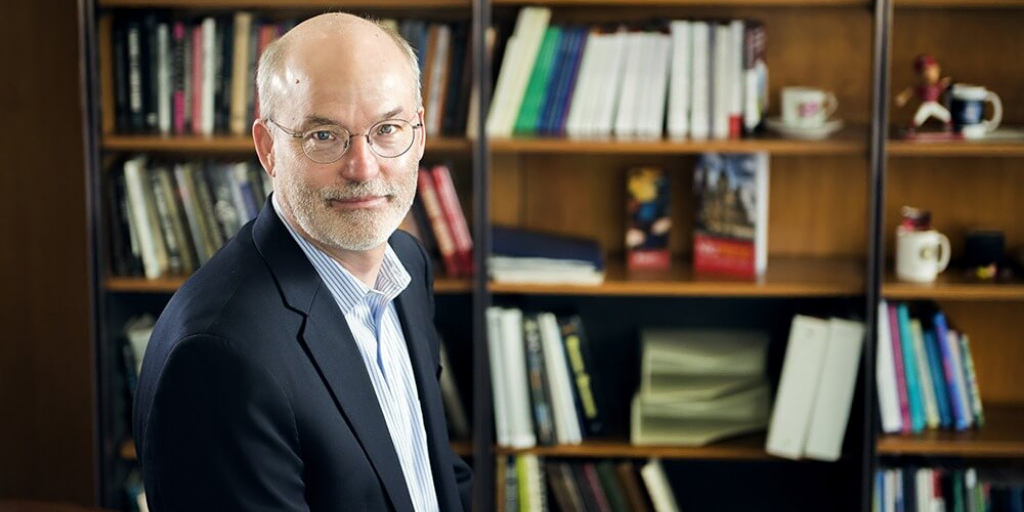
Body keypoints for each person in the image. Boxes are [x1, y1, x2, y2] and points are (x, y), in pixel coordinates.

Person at [132, 13, 472, 512]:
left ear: (418, 136)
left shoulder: (406, 265)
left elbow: (431, 472)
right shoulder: (218, 357)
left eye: (388, 128)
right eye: (324, 136)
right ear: (269, 149)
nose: (363, 167)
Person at [895, 53, 952, 132]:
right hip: (926, 104)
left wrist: (945, 83)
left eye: (930, 69)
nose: (927, 73)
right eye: (924, 71)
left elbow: (943, 86)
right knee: (919, 117)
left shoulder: (937, 85)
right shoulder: (921, 87)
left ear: (937, 68)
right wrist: (902, 97)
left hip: (934, 104)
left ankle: (951, 126)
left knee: (946, 114)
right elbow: (910, 91)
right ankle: (910, 127)